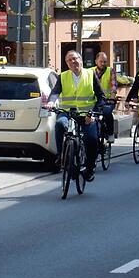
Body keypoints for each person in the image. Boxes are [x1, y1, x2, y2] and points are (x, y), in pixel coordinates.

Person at [46, 50, 105, 182]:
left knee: (91, 139)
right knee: (60, 124)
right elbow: (55, 92)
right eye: (69, 60)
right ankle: (61, 156)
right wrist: (51, 101)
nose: (73, 62)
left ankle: (89, 169)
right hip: (67, 112)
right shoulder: (63, 76)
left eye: (74, 59)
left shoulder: (91, 74)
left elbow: (101, 97)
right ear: (66, 63)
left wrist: (93, 113)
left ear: (81, 60)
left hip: (86, 114)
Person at [90, 52, 117, 143]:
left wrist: (113, 96)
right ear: (96, 62)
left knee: (107, 113)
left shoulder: (110, 71)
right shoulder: (90, 71)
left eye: (105, 62)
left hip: (108, 101)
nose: (103, 64)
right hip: (94, 101)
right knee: (92, 116)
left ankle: (110, 134)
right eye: (101, 61)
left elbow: (113, 85)